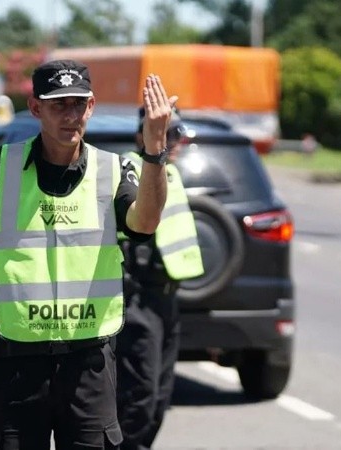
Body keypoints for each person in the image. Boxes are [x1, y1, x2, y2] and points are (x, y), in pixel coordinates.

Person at [0, 59, 177, 450]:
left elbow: (146, 222)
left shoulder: (113, 170)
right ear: (36, 108)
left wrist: (154, 151)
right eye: (58, 105)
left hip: (89, 366)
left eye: (78, 104)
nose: (70, 116)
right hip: (14, 367)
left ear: (91, 106)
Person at [115, 106, 205, 450]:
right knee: (140, 394)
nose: (176, 142)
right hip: (138, 296)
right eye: (169, 134)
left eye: (178, 134)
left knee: (159, 398)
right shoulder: (130, 168)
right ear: (144, 136)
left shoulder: (171, 174)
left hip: (167, 298)